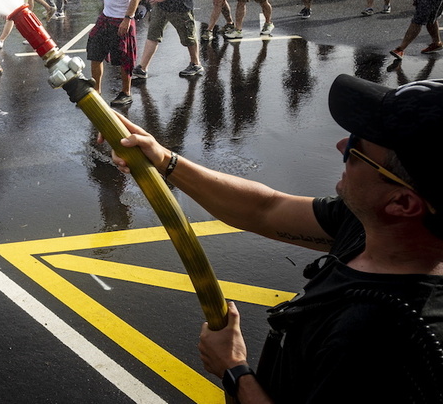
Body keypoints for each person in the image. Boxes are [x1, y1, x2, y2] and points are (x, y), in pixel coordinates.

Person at [105, 74, 443, 403]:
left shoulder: (381, 340)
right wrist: (165, 160)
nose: (342, 144)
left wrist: (234, 370)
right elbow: (264, 209)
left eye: (357, 149)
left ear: (402, 202)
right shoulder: (372, 226)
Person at [89, 0, 142, 108]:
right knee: (95, 51)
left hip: (121, 17)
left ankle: (126, 92)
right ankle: (96, 91)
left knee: (124, 57)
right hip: (106, 15)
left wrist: (128, 18)